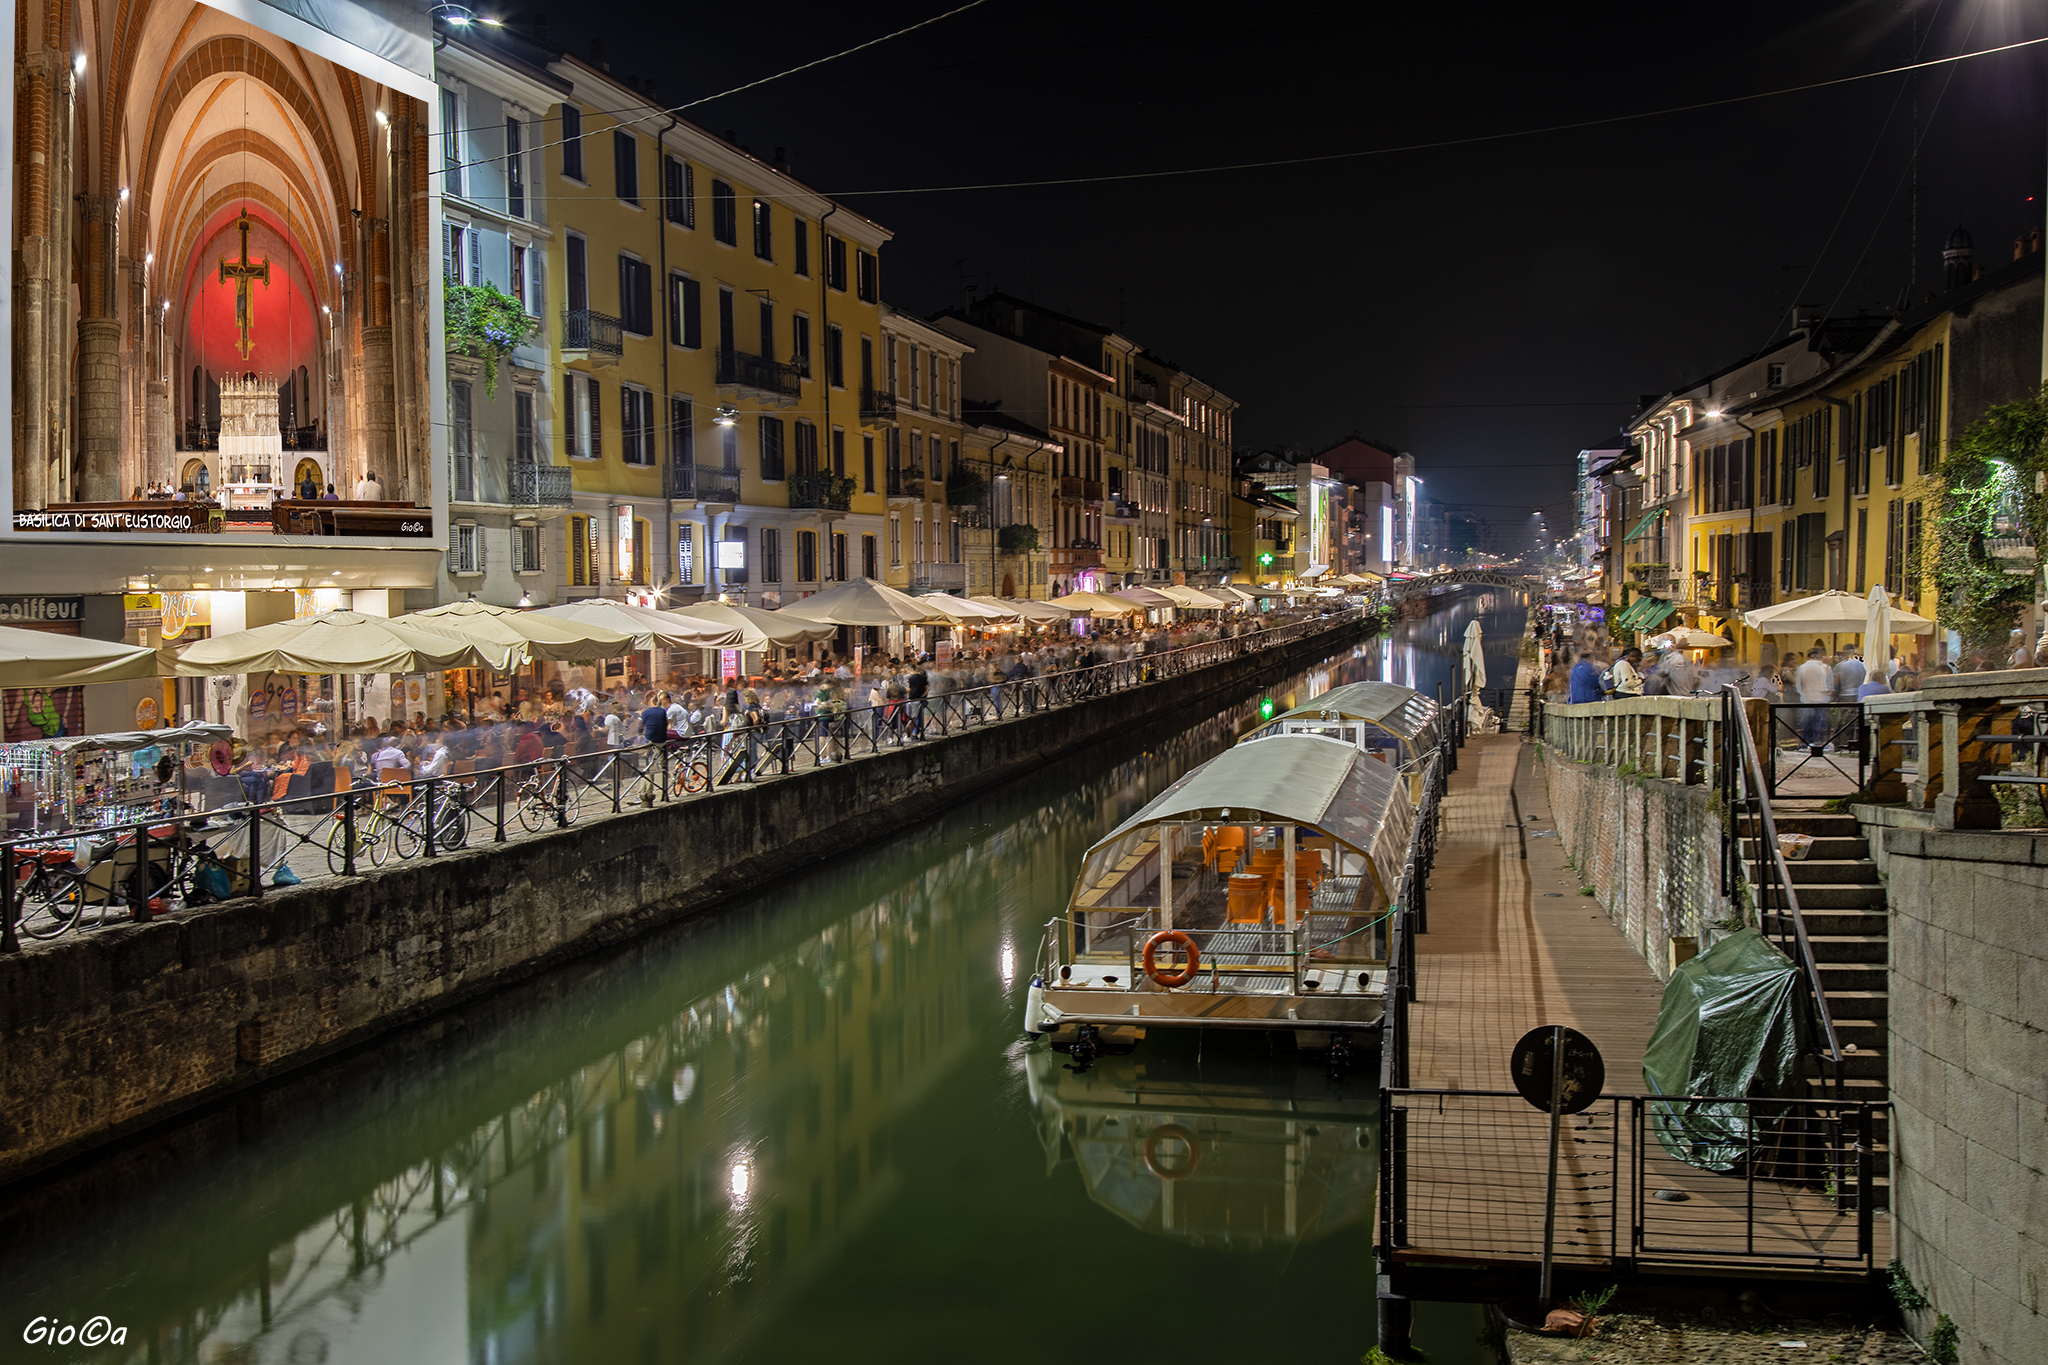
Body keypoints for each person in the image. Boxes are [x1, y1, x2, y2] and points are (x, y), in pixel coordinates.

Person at [1795, 647, 1833, 751]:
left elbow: (1798, 685)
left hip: (1806, 699)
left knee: (1807, 723)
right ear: (1819, 656)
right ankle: (1820, 744)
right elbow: (1830, 686)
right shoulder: (1826, 668)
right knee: (1821, 723)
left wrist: (1803, 694)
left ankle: (1805, 744)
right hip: (1822, 699)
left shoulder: (1802, 668)